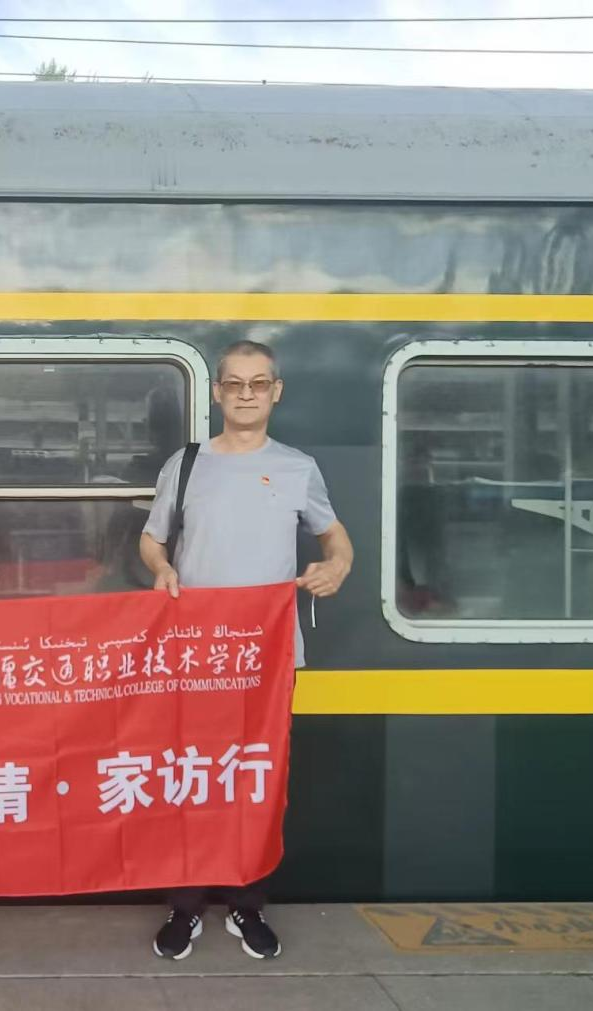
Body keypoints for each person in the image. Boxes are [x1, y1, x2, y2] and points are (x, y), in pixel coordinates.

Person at [139, 339, 354, 962]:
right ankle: (184, 906)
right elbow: (152, 540)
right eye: (234, 383)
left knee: (255, 781)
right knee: (192, 777)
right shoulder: (186, 465)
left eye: (259, 384)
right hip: (195, 652)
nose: (246, 394)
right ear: (217, 393)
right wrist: (162, 569)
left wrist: (337, 565)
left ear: (276, 391)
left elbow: (335, 537)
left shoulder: (297, 467)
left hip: (268, 655)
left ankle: (247, 902)